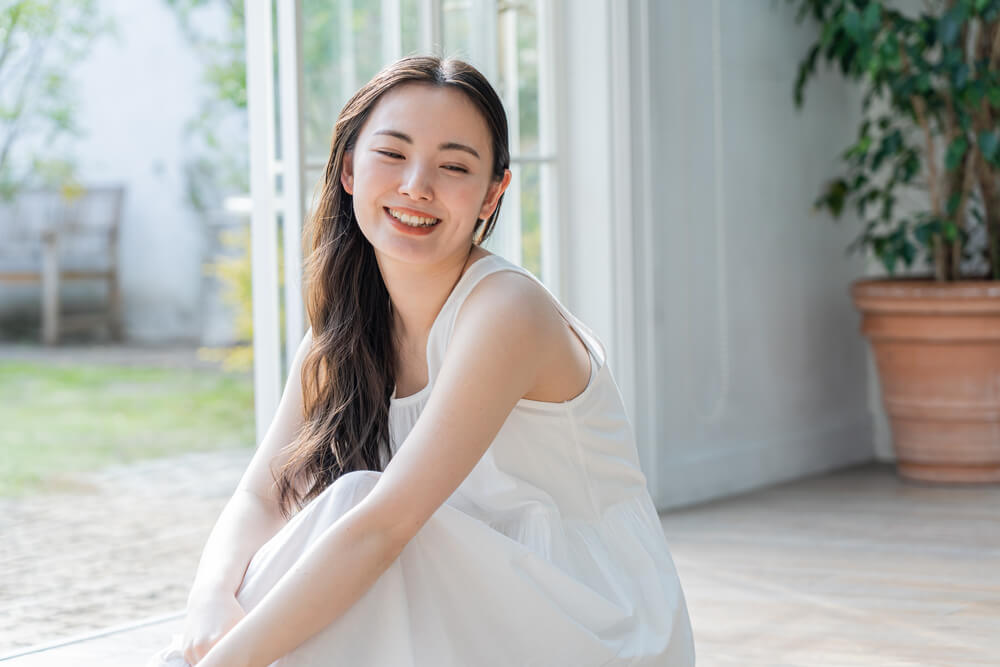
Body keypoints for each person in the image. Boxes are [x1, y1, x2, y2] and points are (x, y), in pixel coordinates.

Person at [148, 55, 694, 667]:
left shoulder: (506, 310)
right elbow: (263, 493)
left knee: (354, 507)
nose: (416, 185)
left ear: (493, 194)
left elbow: (384, 527)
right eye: (392, 154)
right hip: (473, 599)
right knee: (330, 549)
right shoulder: (344, 335)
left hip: (599, 620)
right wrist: (209, 599)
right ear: (349, 168)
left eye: (454, 166)